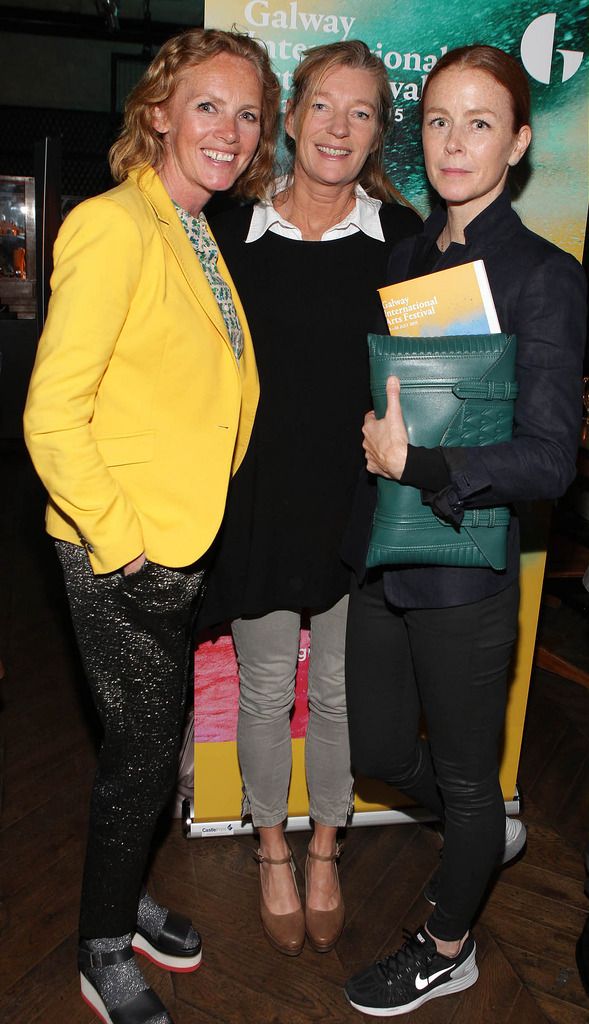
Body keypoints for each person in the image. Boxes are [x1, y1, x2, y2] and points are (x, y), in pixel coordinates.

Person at [23, 28, 279, 1024]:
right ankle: (98, 945)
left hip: (175, 538)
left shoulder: (193, 224)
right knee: (138, 755)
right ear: (159, 112)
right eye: (208, 105)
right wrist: (122, 537)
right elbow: (52, 410)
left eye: (248, 112)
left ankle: (123, 899)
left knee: (153, 746)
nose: (230, 128)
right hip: (119, 548)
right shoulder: (115, 224)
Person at [342, 44, 586, 1016]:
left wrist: (428, 467)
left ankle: (448, 943)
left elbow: (548, 460)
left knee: (465, 776)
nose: (453, 141)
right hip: (381, 557)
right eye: (438, 119)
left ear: (517, 143)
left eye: (479, 122)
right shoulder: (403, 256)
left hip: (466, 574)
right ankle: (484, 825)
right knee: (377, 750)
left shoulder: (545, 278)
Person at [199, 40, 421, 956]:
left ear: (376, 132)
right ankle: (269, 849)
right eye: (321, 106)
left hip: (352, 503)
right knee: (260, 688)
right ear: (288, 119)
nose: (337, 126)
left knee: (331, 691)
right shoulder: (229, 237)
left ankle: (326, 845)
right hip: (254, 502)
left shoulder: (401, 242)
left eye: (360, 111)